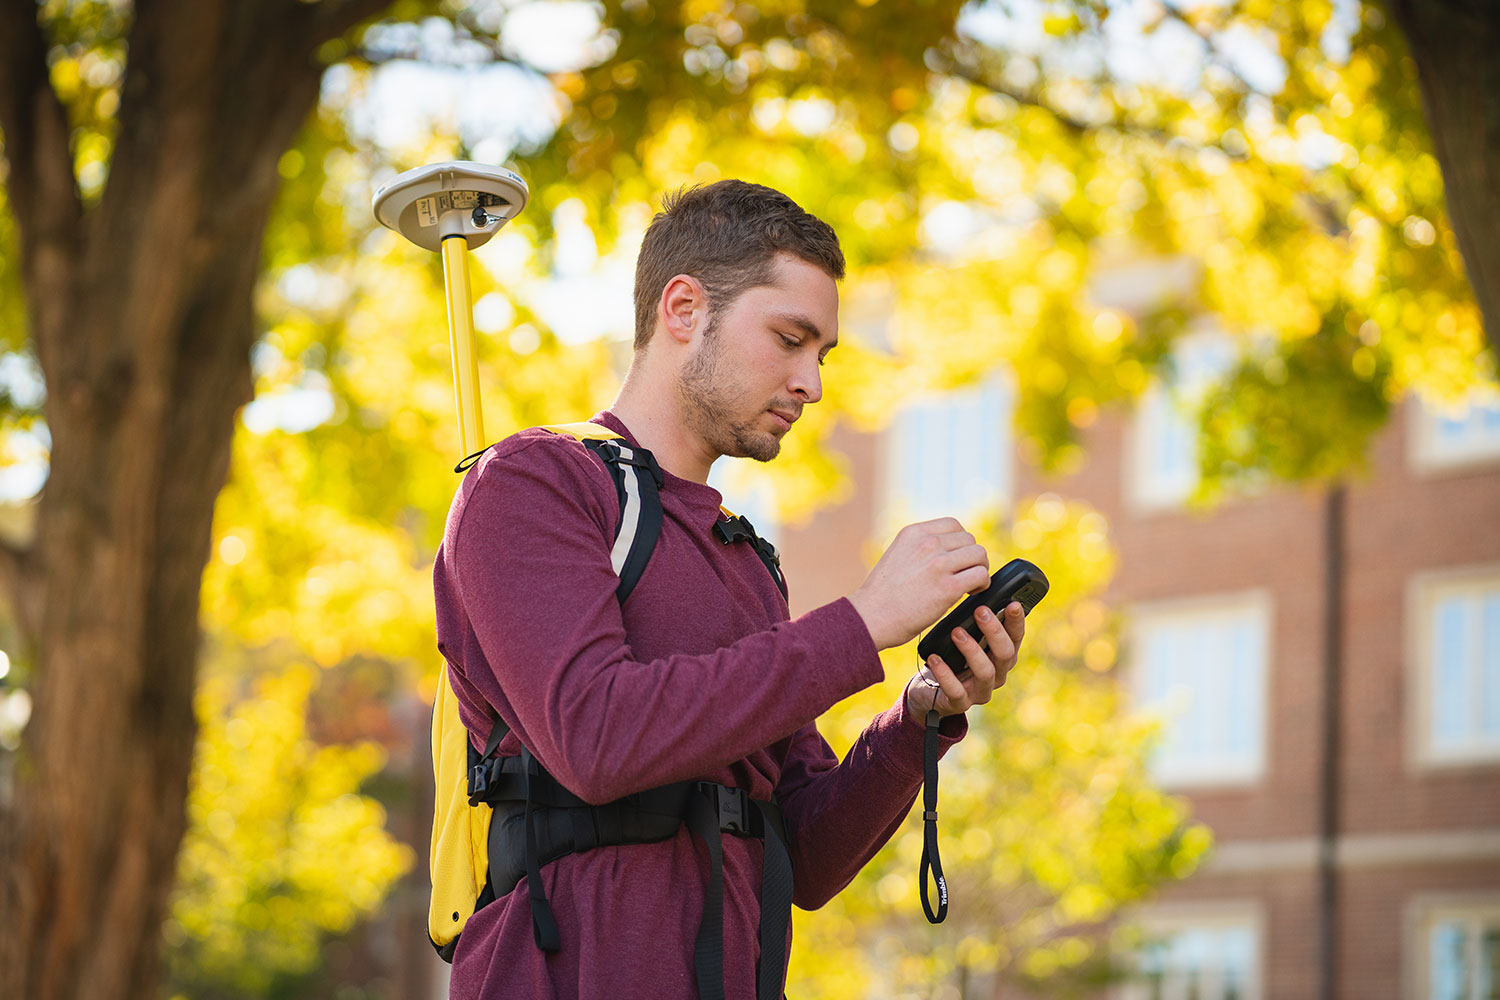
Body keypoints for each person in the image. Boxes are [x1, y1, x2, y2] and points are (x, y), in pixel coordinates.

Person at [433, 179, 1027, 1000]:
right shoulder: (533, 483)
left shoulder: (747, 561)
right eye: (790, 339)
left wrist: (919, 716)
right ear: (683, 309)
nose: (811, 383)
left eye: (822, 355)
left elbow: (807, 854)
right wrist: (860, 623)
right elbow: (595, 736)